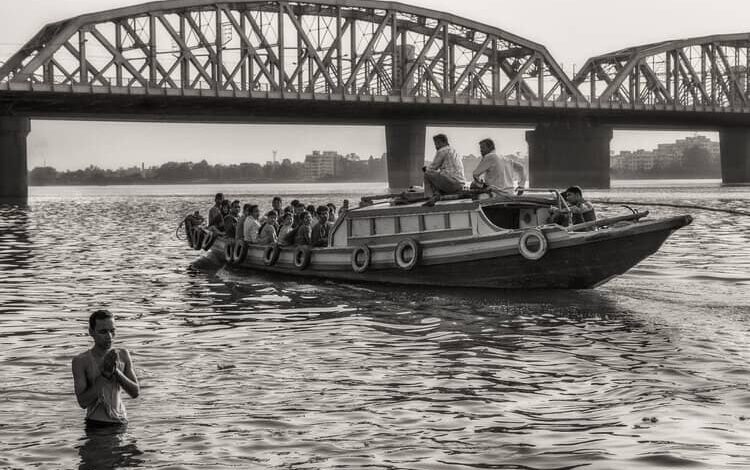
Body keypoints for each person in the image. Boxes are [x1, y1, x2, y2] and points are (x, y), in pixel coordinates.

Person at [72, 310, 139, 426]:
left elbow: (135, 393)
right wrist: (104, 375)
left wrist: (116, 372)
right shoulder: (81, 361)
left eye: (112, 331)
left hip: (122, 422)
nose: (109, 336)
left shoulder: (123, 355)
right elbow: (83, 402)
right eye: (103, 332)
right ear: (91, 332)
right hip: (96, 425)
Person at [423, 134, 466, 200]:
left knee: (427, 173)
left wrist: (425, 169)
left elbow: (432, 168)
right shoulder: (454, 151)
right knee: (438, 174)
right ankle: (438, 193)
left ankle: (428, 197)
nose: (435, 146)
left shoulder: (442, 150)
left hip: (451, 183)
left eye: (437, 143)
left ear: (443, 142)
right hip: (460, 184)